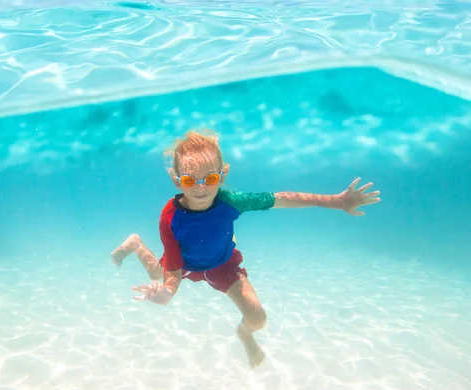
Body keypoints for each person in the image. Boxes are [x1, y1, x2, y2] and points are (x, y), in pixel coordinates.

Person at [111, 129, 381, 369]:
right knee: (157, 276)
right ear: (176, 180)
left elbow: (282, 199)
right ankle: (135, 243)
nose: (202, 187)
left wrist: (336, 201)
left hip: (223, 264)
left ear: (223, 174)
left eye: (211, 178)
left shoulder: (232, 202)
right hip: (184, 263)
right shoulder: (169, 216)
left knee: (258, 317)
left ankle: (244, 335)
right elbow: (174, 267)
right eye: (191, 181)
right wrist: (168, 292)